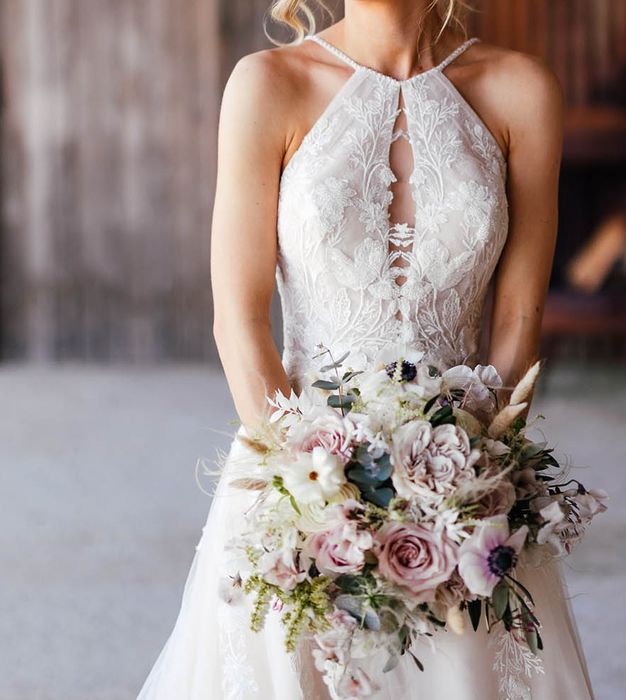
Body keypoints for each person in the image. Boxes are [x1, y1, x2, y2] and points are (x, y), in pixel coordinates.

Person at [138, 1, 594, 697]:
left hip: (465, 486)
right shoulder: (266, 85)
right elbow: (237, 320)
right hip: (299, 476)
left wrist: (465, 490)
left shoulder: (521, 89)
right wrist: (316, 500)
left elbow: (518, 318)